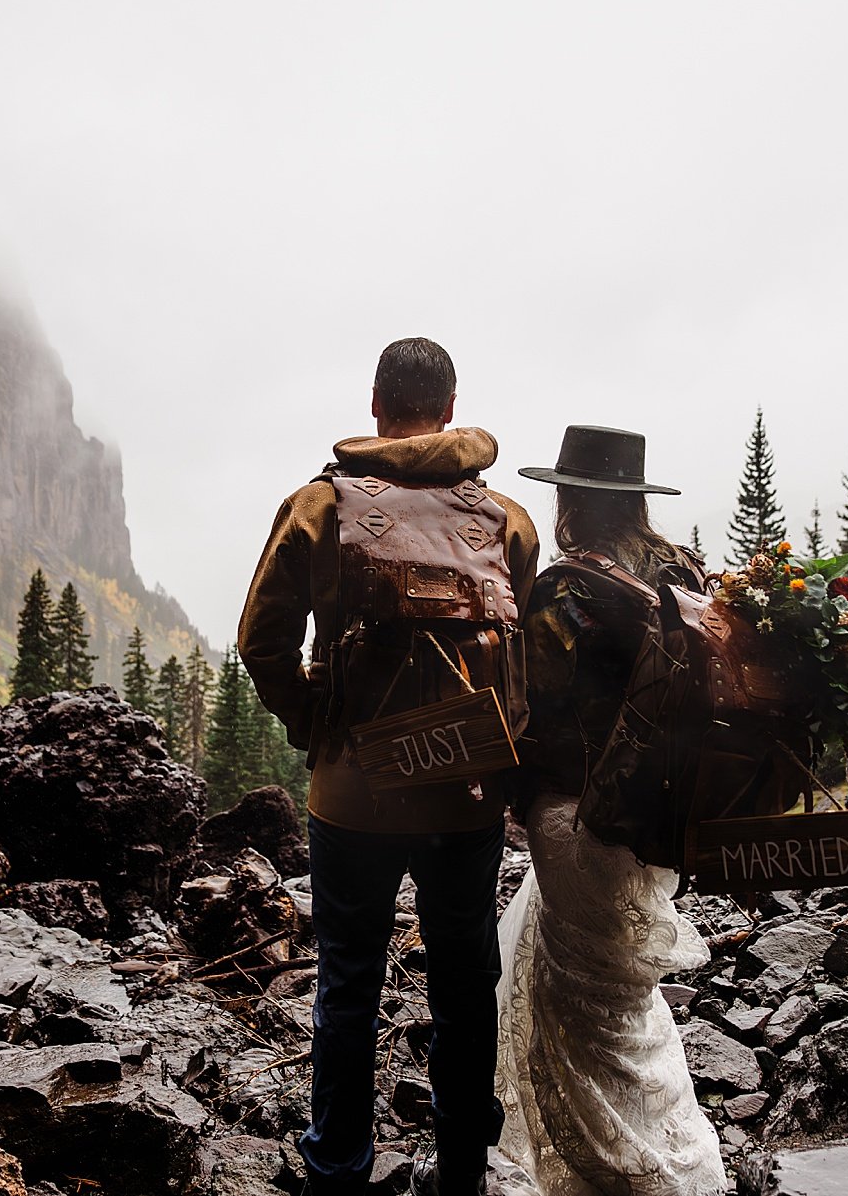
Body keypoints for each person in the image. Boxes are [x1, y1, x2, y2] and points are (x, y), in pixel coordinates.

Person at [238, 337, 541, 1196]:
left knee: (348, 985)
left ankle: (337, 1170)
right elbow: (519, 669)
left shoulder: (317, 506)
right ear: (449, 408)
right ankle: (460, 1175)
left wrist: (318, 723)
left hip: (351, 797)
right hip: (464, 792)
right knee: (464, 984)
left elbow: (259, 641)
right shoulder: (508, 521)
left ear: (376, 404)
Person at [496, 425, 728, 1196]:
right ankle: (676, 1160)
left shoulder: (564, 589)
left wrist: (508, 793)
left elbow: (529, 708)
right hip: (661, 822)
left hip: (579, 816)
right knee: (628, 995)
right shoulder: (686, 573)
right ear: (632, 497)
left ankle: (619, 1177)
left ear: (571, 497)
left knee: (580, 1004)